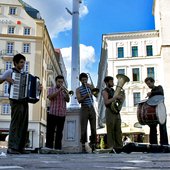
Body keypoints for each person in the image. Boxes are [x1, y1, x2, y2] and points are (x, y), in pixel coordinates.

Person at [0, 53, 42, 154]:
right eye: (21, 62)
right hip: (15, 101)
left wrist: (38, 90)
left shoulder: (24, 75)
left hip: (24, 101)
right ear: (15, 63)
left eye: (24, 62)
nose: (23, 64)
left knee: (24, 124)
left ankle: (20, 148)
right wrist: (6, 78)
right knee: (16, 123)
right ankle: (11, 148)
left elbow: (29, 91)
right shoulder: (10, 71)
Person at [46, 75, 70, 150]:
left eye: (62, 82)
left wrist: (66, 94)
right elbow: (50, 97)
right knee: (50, 132)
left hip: (62, 114)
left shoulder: (64, 90)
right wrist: (59, 90)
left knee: (59, 132)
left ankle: (58, 148)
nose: (60, 83)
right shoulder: (51, 89)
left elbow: (68, 100)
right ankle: (49, 147)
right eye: (59, 82)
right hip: (53, 113)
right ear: (56, 81)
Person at [76, 73, 97, 153]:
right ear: (80, 80)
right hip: (84, 108)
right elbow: (79, 100)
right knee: (83, 128)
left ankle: (93, 144)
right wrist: (85, 96)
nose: (85, 81)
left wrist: (92, 88)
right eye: (83, 80)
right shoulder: (78, 89)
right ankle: (83, 145)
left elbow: (96, 95)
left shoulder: (90, 86)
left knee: (93, 127)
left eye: (86, 79)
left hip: (91, 107)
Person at [102, 76, 124, 152]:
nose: (113, 83)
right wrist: (115, 97)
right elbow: (106, 102)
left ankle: (119, 147)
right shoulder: (105, 91)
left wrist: (120, 98)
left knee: (118, 130)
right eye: (111, 81)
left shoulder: (112, 90)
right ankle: (111, 148)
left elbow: (116, 100)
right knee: (110, 130)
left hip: (116, 111)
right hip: (109, 111)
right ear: (107, 82)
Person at [145, 77, 168, 145]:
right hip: (153, 112)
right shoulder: (151, 93)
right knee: (152, 128)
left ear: (153, 82)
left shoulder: (159, 87)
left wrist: (151, 93)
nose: (148, 85)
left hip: (161, 111)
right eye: (147, 84)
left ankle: (164, 144)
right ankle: (153, 145)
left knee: (162, 128)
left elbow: (160, 92)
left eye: (149, 83)